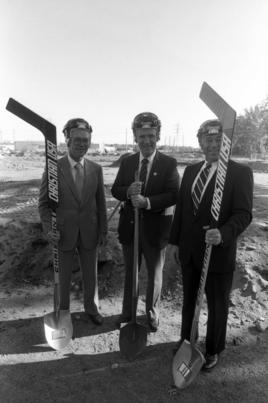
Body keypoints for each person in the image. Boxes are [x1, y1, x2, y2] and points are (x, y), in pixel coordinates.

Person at [169, 119, 253, 370]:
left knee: (217, 305)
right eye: (208, 139)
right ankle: (187, 340)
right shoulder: (192, 170)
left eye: (219, 140)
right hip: (190, 250)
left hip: (218, 252)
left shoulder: (239, 172)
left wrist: (224, 233)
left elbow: (243, 213)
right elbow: (182, 210)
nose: (213, 144)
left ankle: (214, 349)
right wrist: (174, 242)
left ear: (227, 142)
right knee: (189, 301)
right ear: (200, 142)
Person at [111, 112, 179, 332]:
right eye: (142, 136)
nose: (147, 140)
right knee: (131, 272)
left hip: (155, 230)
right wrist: (127, 191)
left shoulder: (169, 163)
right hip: (130, 230)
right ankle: (128, 311)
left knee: (154, 274)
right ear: (135, 137)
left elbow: (174, 194)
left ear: (158, 136)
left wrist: (147, 202)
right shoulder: (128, 161)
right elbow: (115, 190)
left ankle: (152, 313)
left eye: (151, 135)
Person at [39, 118, 107, 325]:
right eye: (77, 139)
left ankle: (92, 308)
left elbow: (100, 203)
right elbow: (43, 204)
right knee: (64, 277)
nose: (81, 144)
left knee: (90, 276)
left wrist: (103, 231)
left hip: (90, 231)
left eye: (85, 140)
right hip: (63, 233)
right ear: (67, 140)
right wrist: (49, 229)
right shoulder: (53, 168)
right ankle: (63, 311)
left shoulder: (96, 169)